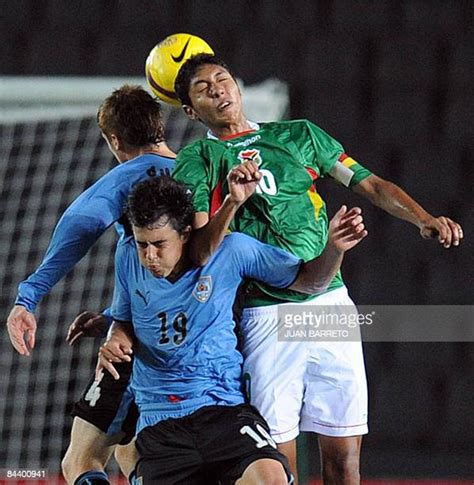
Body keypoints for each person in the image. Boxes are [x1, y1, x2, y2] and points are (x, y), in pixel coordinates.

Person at [171, 53, 464, 484]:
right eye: (203, 87)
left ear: (237, 85)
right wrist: (234, 200)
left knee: (344, 462)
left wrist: (423, 219)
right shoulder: (200, 157)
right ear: (191, 111)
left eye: (223, 79)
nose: (217, 88)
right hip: (268, 314)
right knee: (275, 465)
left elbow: (372, 184)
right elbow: (198, 249)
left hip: (330, 306)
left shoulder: (300, 135)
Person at [96, 174, 367, 484]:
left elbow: (309, 281)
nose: (149, 256)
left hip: (222, 409)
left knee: (272, 478)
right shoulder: (127, 255)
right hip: (160, 420)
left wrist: (334, 248)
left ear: (185, 233)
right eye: (142, 244)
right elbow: (123, 318)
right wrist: (115, 336)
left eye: (159, 244)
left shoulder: (233, 251)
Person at [5, 85, 177, 485]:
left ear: (115, 140)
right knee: (130, 450)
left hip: (141, 342)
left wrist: (27, 298)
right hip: (208, 341)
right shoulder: (198, 170)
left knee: (79, 461)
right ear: (160, 127)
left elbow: (83, 222)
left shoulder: (127, 178)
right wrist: (113, 316)